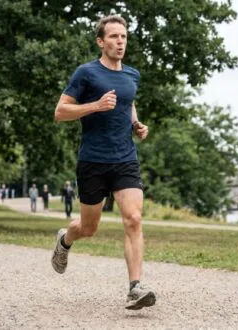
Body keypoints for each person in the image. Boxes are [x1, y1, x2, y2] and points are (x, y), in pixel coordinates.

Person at [52, 15, 154, 310]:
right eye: (113, 37)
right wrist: (95, 106)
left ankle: (135, 288)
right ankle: (65, 239)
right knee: (88, 228)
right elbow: (60, 111)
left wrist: (136, 123)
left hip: (125, 158)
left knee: (134, 219)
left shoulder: (131, 75)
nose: (120, 42)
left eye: (123, 37)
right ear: (101, 41)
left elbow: (127, 102)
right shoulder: (86, 73)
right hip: (93, 161)